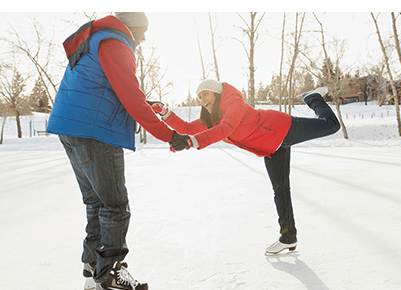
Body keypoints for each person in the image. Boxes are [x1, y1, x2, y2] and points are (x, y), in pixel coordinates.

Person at [47, 12, 185, 290]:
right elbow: (131, 99)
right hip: (94, 132)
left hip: (70, 126)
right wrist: (170, 135)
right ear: (133, 25)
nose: (143, 38)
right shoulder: (115, 42)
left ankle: (93, 268)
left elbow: (113, 87)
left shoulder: (96, 39)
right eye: (143, 30)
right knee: (115, 206)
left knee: (97, 203)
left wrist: (146, 103)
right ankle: (110, 273)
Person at [151, 79, 341, 254]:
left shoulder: (234, 103)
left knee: (331, 125)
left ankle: (313, 98)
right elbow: (186, 128)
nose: (202, 100)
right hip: (271, 148)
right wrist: (164, 113)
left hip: (281, 127)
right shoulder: (213, 118)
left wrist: (191, 142)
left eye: (205, 94)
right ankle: (288, 237)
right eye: (199, 97)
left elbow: (225, 129)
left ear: (216, 93)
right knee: (280, 190)